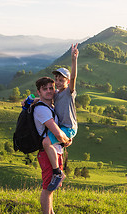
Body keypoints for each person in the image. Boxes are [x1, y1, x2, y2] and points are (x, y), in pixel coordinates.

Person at [33, 76, 72, 214]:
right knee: (48, 187)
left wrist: (31, 99)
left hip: (54, 151)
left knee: (53, 185)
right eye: (45, 89)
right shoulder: (42, 109)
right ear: (39, 91)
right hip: (47, 153)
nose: (49, 91)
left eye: (51, 88)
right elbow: (56, 132)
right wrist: (66, 140)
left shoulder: (48, 105)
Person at [42, 43, 79, 191]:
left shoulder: (69, 92)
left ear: (67, 82)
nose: (57, 82)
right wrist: (30, 100)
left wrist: (74, 59)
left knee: (46, 143)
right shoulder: (56, 94)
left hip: (69, 127)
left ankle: (58, 173)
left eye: (61, 80)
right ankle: (57, 172)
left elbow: (75, 76)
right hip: (62, 127)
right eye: (56, 79)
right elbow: (43, 97)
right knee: (53, 147)